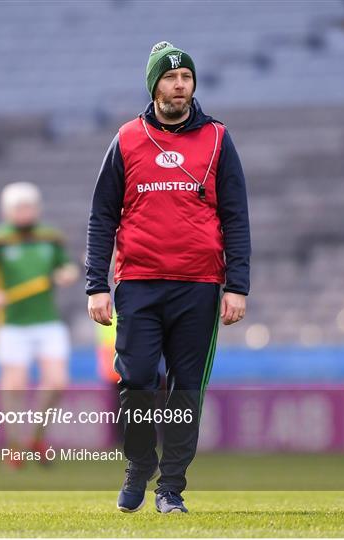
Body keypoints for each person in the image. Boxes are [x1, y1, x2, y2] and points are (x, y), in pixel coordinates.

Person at [86, 41, 251, 513]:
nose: (180, 85)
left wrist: (237, 285)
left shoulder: (218, 138)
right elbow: (102, 216)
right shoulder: (127, 138)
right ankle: (139, 464)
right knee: (136, 379)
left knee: (186, 390)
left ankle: (171, 489)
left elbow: (236, 216)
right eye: (170, 78)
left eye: (186, 78)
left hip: (199, 286)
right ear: (154, 84)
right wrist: (97, 284)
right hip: (138, 283)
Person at [0, 181, 79, 466]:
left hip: (47, 321)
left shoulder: (50, 238)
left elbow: (66, 264)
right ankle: (14, 446)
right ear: (7, 210)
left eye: (29, 206)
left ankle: (36, 437)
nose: (25, 212)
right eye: (19, 207)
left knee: (58, 382)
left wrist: (68, 272)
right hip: (12, 324)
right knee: (14, 386)